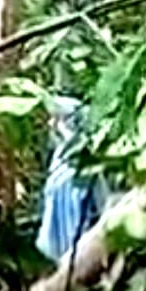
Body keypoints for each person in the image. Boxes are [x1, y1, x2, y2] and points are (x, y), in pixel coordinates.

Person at [36, 96, 110, 263]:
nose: (51, 125)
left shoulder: (85, 158)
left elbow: (101, 201)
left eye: (58, 119)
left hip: (84, 237)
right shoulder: (58, 157)